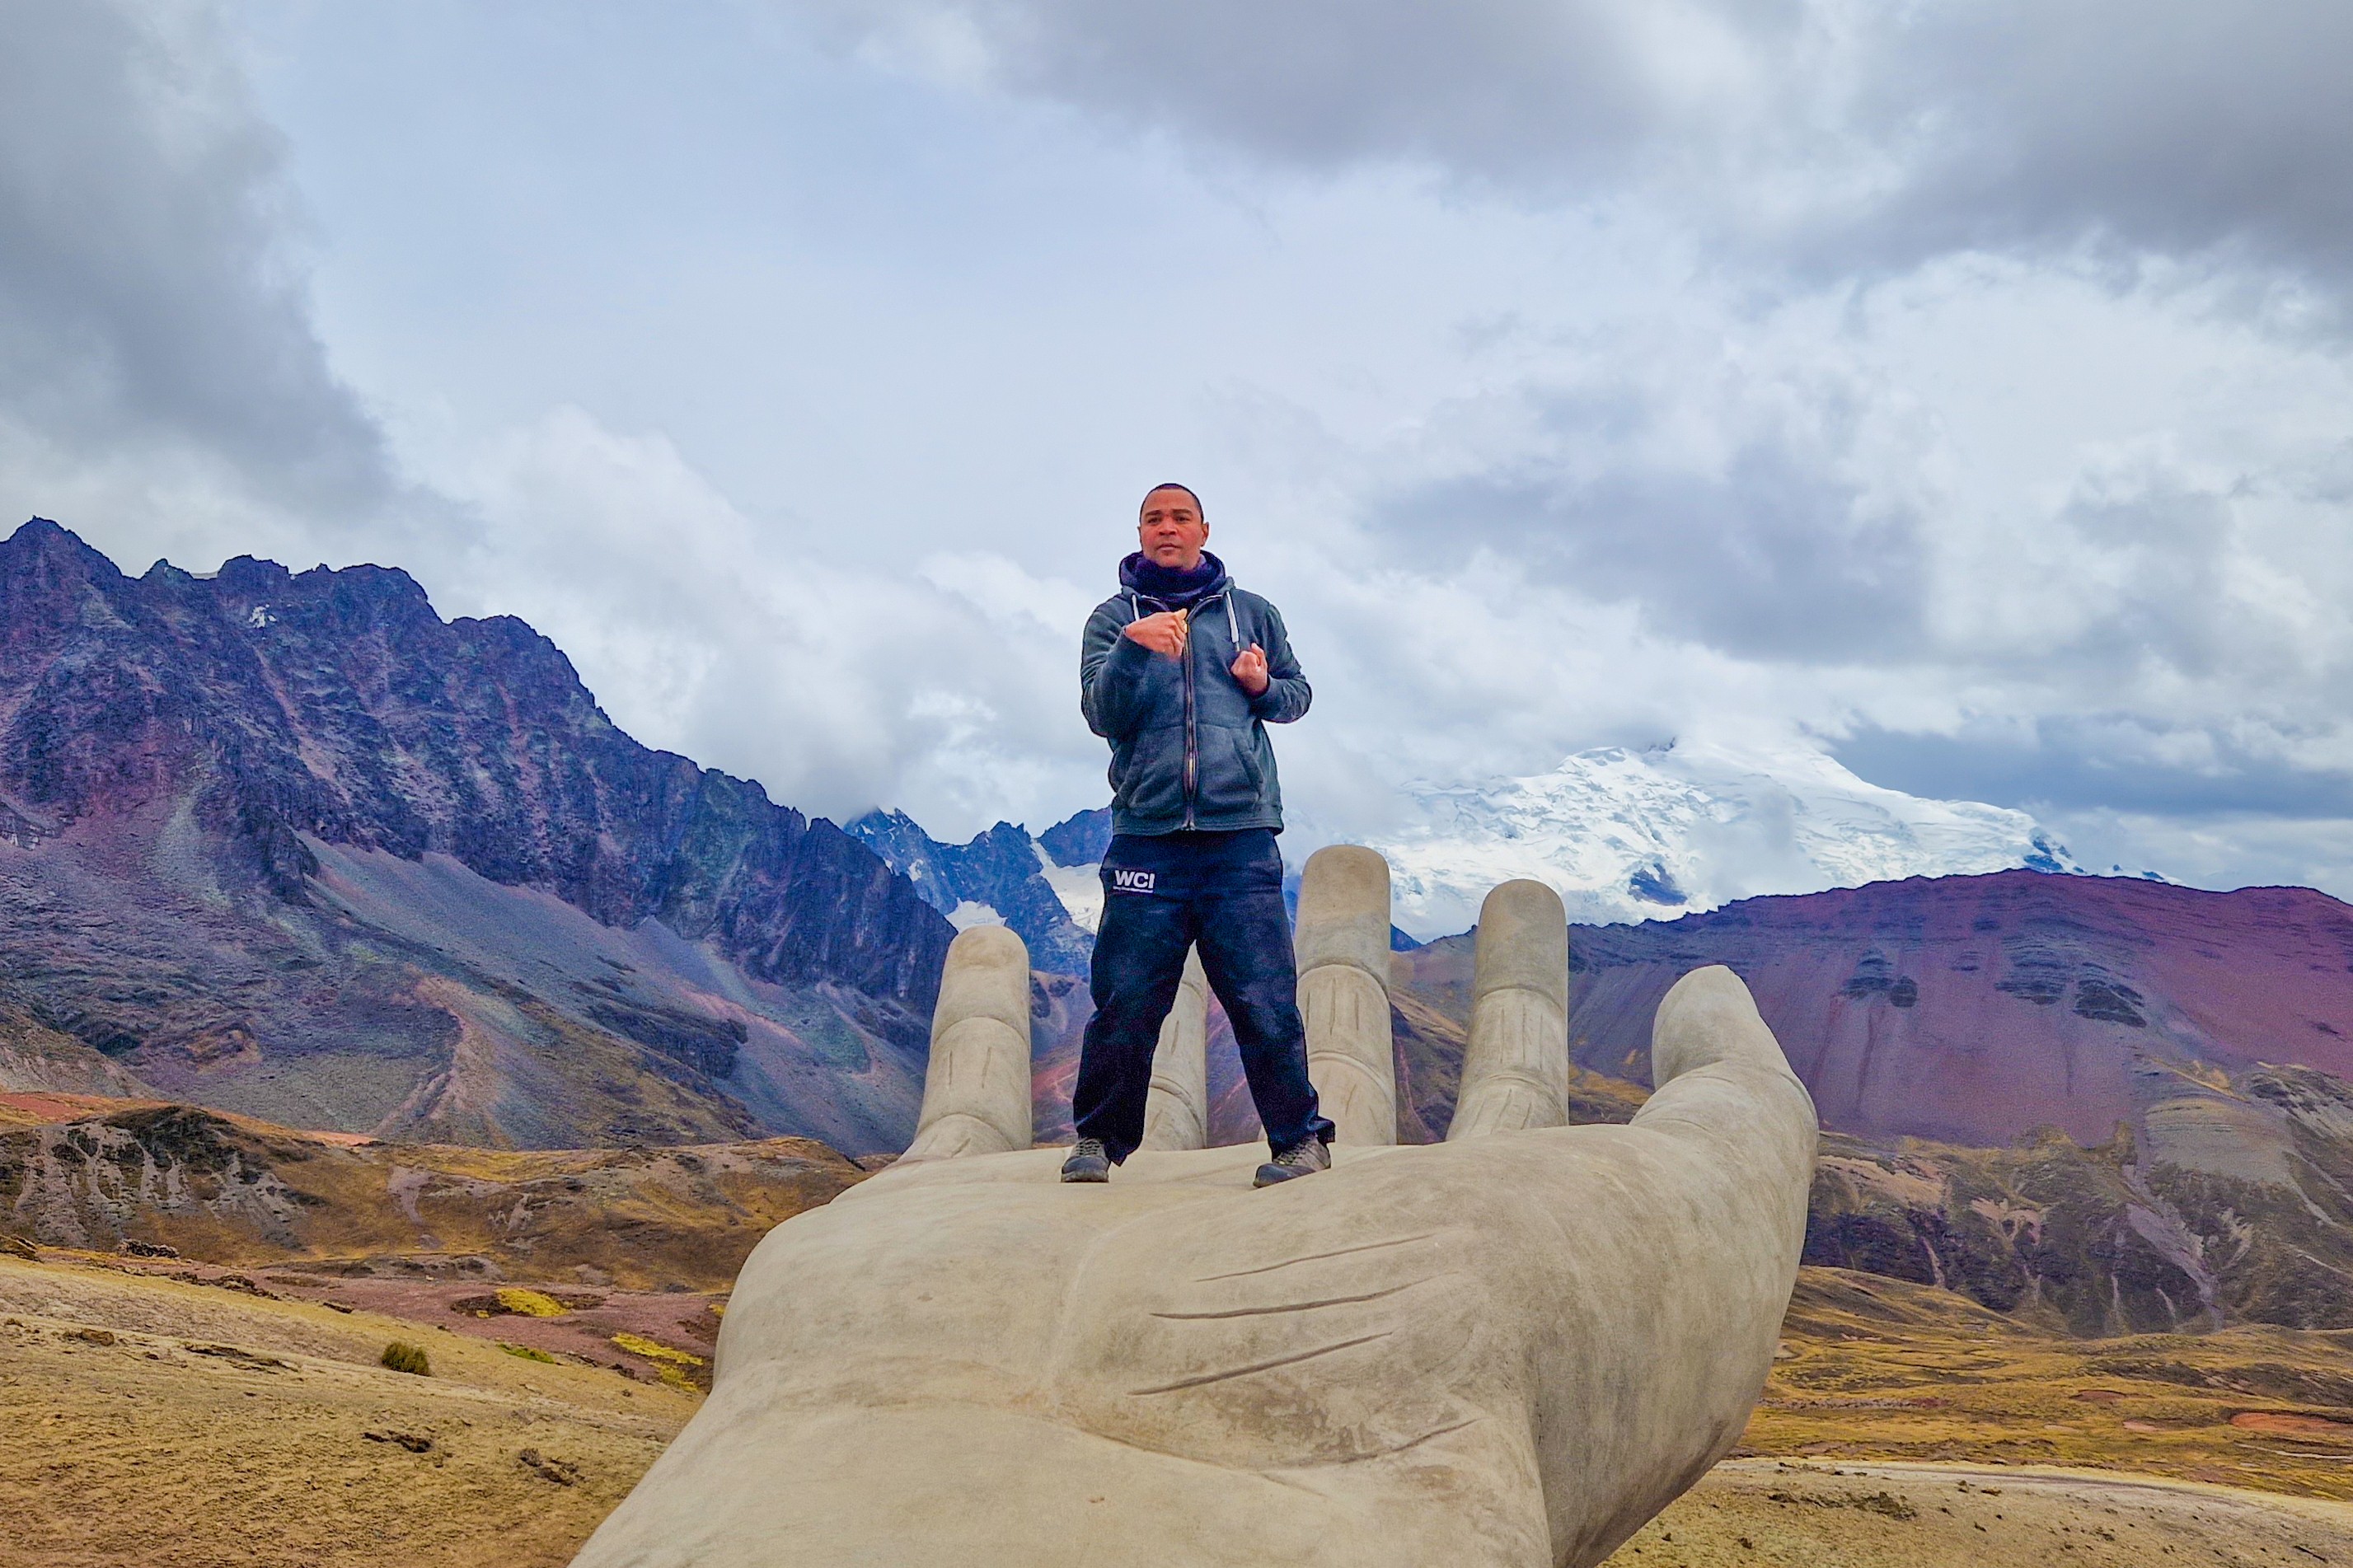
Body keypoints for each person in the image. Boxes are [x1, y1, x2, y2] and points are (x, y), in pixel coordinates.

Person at [1064, 483, 1336, 1188]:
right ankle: (1097, 1140)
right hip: (1147, 838)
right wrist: (1133, 649)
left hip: (1238, 837)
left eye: (1179, 517)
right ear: (1139, 532)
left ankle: (1298, 1142)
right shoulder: (1112, 619)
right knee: (1125, 999)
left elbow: (1296, 696)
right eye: (1154, 518)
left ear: (1203, 530)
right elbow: (1101, 714)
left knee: (1262, 997)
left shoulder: (1252, 614)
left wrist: (1259, 686)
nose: (1167, 528)